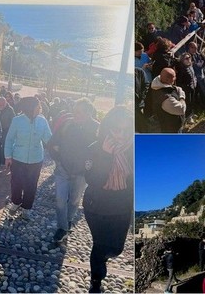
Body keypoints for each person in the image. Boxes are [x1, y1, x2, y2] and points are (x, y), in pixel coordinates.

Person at [82, 106, 133, 293]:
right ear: (107, 128)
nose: (120, 135)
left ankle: (102, 258)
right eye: (116, 129)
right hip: (97, 206)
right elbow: (94, 180)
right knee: (100, 244)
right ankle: (96, 280)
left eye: (125, 130)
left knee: (116, 249)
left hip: (122, 206)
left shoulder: (133, 149)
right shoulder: (95, 148)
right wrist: (105, 155)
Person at [47, 97, 100, 243]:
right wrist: (58, 159)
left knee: (75, 200)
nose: (75, 115)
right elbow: (52, 143)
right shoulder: (67, 124)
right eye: (74, 111)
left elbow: (100, 152)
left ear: (89, 113)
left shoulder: (97, 129)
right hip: (63, 170)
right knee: (60, 199)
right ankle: (62, 228)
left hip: (82, 173)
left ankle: (68, 221)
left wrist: (90, 166)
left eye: (79, 112)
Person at [4, 97, 52, 219]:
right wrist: (8, 156)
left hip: (36, 159)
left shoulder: (42, 121)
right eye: (38, 106)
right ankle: (16, 201)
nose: (40, 109)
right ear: (30, 108)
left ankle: (26, 207)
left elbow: (49, 139)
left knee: (31, 184)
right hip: (18, 158)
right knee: (16, 183)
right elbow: (9, 139)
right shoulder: (17, 120)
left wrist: (58, 146)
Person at [147, 68, 186, 133]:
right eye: (174, 77)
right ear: (168, 79)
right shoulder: (166, 98)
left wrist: (176, 89)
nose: (175, 78)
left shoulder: (158, 83)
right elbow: (181, 109)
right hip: (170, 129)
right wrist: (182, 97)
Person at [0, 96, 16, 167]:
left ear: (5, 103)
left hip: (6, 129)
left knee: (4, 145)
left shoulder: (10, 110)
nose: (1, 106)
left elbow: (13, 120)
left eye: (2, 104)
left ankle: (3, 161)